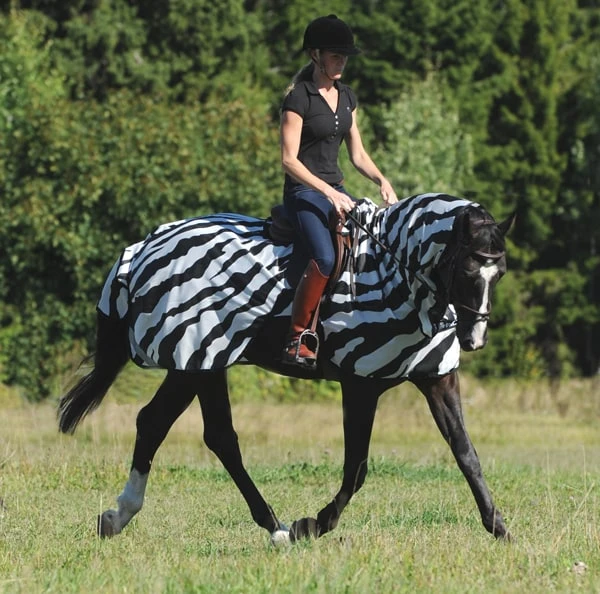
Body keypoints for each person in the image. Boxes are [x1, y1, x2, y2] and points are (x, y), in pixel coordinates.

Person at [280, 14, 398, 369]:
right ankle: (297, 337)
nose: (342, 62)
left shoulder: (347, 96)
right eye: (335, 55)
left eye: (345, 56)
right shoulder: (298, 98)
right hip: (303, 193)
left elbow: (357, 155)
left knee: (368, 250)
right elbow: (289, 160)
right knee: (326, 258)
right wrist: (328, 193)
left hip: (338, 190)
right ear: (315, 55)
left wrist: (381, 180)